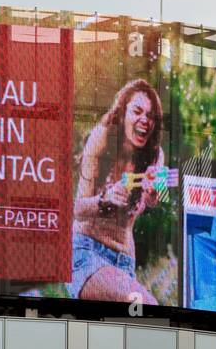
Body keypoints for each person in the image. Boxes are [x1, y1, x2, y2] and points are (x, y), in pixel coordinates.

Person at [71, 78, 167, 304]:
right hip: (86, 251)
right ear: (123, 113)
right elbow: (77, 210)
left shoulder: (156, 155)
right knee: (147, 305)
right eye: (137, 111)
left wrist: (153, 196)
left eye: (151, 116)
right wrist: (105, 199)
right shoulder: (101, 137)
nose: (145, 120)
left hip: (124, 264)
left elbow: (156, 198)